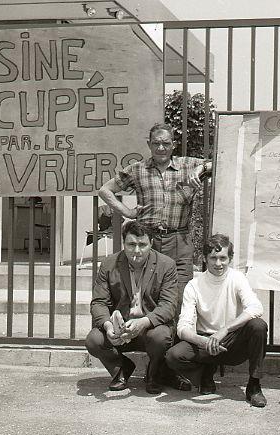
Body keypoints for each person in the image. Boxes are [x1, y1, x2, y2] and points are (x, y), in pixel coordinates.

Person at [98, 122, 212, 304]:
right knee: (146, 293)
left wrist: (201, 169)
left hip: (179, 241)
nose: (161, 148)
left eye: (166, 143)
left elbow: (218, 162)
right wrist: (127, 211)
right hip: (146, 242)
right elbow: (105, 190)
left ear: (173, 144)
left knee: (181, 295)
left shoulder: (187, 165)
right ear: (149, 144)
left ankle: (176, 332)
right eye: (156, 143)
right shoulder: (137, 169)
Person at [84, 221, 190, 394]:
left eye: (142, 245)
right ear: (123, 243)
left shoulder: (167, 265)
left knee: (161, 337)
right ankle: (121, 369)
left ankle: (154, 373)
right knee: (93, 340)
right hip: (121, 329)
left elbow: (168, 305)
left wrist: (144, 322)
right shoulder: (109, 265)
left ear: (151, 243)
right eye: (131, 244)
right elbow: (98, 302)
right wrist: (108, 326)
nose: (137, 251)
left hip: (150, 327)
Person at [165, 234, 269, 407]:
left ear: (230, 258)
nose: (218, 263)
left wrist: (225, 330)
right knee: (173, 356)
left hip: (231, 340)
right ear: (205, 258)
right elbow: (183, 327)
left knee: (258, 326)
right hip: (205, 341)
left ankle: (254, 385)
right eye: (213, 258)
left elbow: (256, 307)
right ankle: (204, 373)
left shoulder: (237, 278)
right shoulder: (194, 285)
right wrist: (204, 341)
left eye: (223, 258)